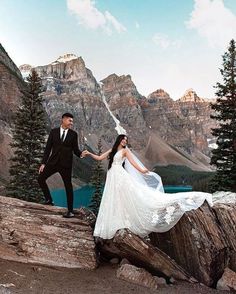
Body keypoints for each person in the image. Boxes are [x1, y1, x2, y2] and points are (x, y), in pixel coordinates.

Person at [84, 134, 213, 239]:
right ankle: (116, 222)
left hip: (120, 176)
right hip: (113, 176)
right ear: (119, 140)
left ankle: (124, 222)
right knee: (114, 198)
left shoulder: (125, 151)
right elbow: (100, 158)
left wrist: (143, 171)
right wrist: (89, 154)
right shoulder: (112, 150)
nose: (124, 141)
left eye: (126, 140)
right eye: (123, 139)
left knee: (126, 196)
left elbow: (133, 163)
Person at [38, 113, 86, 218]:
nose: (71, 123)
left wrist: (81, 154)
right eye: (70, 121)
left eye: (72, 121)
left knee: (68, 187)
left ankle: (70, 211)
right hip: (52, 163)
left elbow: (75, 150)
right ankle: (49, 200)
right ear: (63, 120)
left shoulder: (73, 134)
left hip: (66, 165)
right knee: (40, 179)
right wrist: (43, 163)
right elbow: (48, 149)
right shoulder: (53, 132)